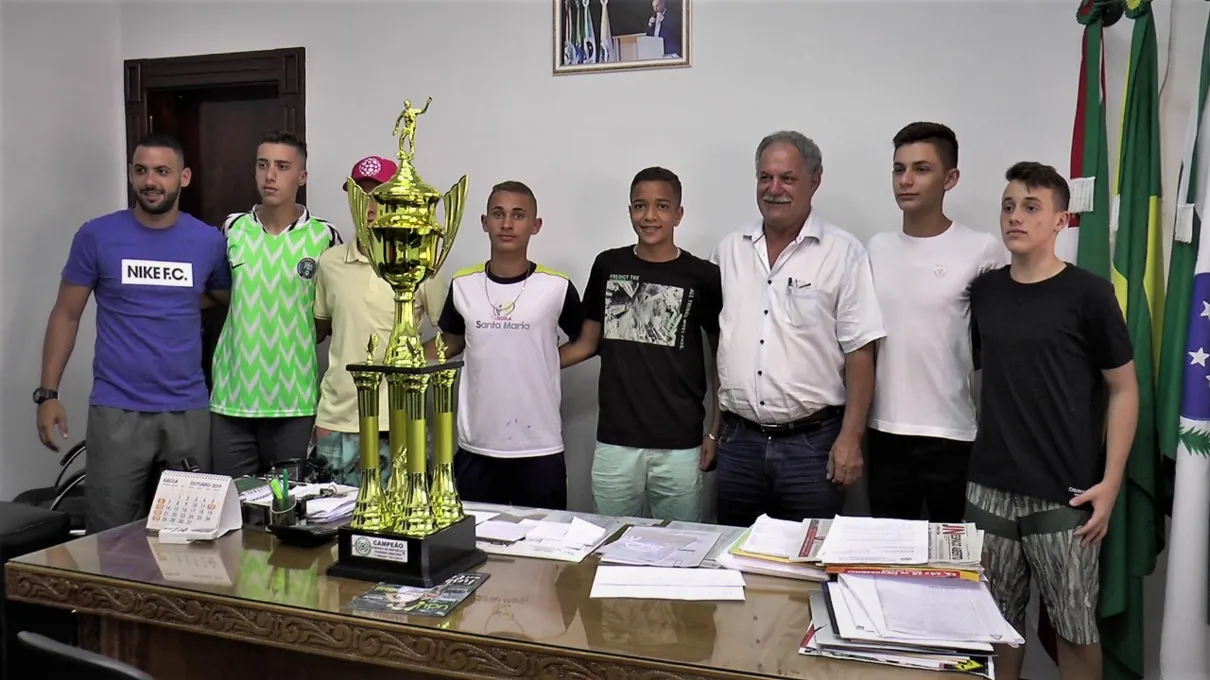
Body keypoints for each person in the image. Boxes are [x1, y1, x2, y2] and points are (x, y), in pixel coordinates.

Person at [966, 161, 1137, 680]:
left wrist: (1110, 485)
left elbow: (1124, 389)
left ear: (1060, 221)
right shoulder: (986, 292)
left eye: (1031, 207)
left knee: (1074, 628)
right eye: (1009, 206)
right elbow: (981, 376)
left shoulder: (1089, 294)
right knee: (994, 625)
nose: (1015, 217)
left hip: (1065, 494)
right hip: (989, 487)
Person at [35, 133, 230, 533]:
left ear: (184, 177)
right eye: (141, 170)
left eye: (162, 171)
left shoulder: (209, 242)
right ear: (130, 174)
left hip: (187, 409)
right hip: (116, 408)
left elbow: (224, 299)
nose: (150, 181)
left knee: (191, 538)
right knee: (109, 539)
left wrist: (169, 300)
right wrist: (48, 394)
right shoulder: (97, 236)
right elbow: (65, 315)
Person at [710, 131, 884, 528]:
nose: (774, 189)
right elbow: (716, 341)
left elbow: (861, 351)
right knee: (734, 562)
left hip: (811, 447)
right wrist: (714, 432)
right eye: (764, 178)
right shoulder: (729, 251)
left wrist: (851, 438)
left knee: (806, 570)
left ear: (814, 181)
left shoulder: (843, 253)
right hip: (739, 444)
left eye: (787, 178)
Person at [559, 167, 722, 522]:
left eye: (662, 206)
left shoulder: (704, 276)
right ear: (630, 210)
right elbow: (586, 344)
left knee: (680, 548)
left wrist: (714, 430)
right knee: (610, 545)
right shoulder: (608, 265)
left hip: (680, 444)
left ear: (679, 213)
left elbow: (722, 359)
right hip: (616, 443)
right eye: (640, 206)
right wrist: (525, 360)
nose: (650, 216)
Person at [865, 122, 1006, 522]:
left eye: (921, 169)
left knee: (950, 567)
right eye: (898, 169)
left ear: (951, 178)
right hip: (885, 431)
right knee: (888, 562)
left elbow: (992, 344)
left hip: (952, 434)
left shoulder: (981, 249)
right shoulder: (877, 248)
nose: (905, 180)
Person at [426, 181, 584, 510]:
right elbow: (452, 341)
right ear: (484, 222)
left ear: (535, 225)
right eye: (498, 214)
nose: (507, 224)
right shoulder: (463, 284)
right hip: (477, 447)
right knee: (476, 548)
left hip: (538, 448)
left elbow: (588, 341)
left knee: (543, 550)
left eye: (518, 215)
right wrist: (401, 357)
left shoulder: (555, 287)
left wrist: (545, 361)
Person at [210, 131, 342, 478]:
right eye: (263, 165)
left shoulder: (324, 236)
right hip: (232, 398)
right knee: (233, 511)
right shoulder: (232, 229)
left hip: (294, 399)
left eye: (282, 167)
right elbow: (218, 293)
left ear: (302, 176)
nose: (270, 175)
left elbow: (329, 313)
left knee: (288, 511)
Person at [313, 155, 447, 485]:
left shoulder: (422, 262)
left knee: (396, 528)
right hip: (338, 420)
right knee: (330, 527)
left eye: (379, 196)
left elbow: (453, 337)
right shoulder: (330, 263)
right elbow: (323, 330)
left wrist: (408, 365)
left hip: (399, 419)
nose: (369, 205)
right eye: (359, 195)